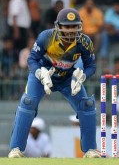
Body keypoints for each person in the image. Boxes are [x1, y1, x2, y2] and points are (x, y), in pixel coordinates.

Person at [8, 8, 100, 158]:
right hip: (43, 76)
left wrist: (82, 76)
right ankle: (16, 149)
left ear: (79, 26)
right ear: (59, 26)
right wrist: (40, 73)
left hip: (67, 78)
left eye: (74, 26)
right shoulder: (46, 37)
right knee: (28, 102)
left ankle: (90, 150)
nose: (71, 30)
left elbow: (91, 66)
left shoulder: (84, 41)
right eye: (67, 26)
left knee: (87, 105)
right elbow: (32, 59)